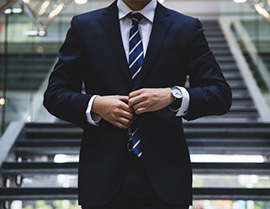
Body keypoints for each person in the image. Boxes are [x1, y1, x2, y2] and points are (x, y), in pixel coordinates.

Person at [43, 0, 232, 208]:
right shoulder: (85, 26)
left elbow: (220, 94)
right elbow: (54, 95)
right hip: (102, 177)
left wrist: (173, 95)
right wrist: (96, 104)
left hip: (166, 179)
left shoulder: (186, 27)